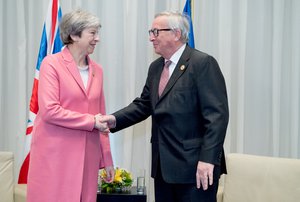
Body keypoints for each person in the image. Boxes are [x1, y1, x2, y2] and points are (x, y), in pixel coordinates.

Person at [100, 11, 229, 202]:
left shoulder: (202, 63)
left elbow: (217, 117)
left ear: (176, 34)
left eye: (156, 32)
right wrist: (114, 119)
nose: (151, 37)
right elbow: (144, 105)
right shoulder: (156, 67)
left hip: (195, 168)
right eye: (150, 32)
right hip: (163, 168)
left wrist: (208, 159)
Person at [27, 9, 114, 202]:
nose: (97, 38)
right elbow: (50, 110)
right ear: (74, 35)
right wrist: (91, 121)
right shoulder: (51, 64)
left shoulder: (97, 70)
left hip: (87, 158)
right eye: (92, 33)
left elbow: (102, 116)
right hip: (56, 156)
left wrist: (107, 159)